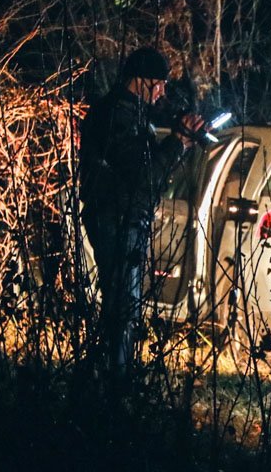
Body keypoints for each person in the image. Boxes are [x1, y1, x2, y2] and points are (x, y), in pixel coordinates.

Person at [79, 47, 210, 376]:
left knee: (125, 305)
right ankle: (115, 378)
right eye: (159, 84)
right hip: (116, 217)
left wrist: (179, 140)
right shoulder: (116, 116)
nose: (162, 92)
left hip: (126, 216)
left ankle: (113, 373)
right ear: (140, 81)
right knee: (122, 306)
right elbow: (143, 175)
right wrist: (177, 143)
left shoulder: (132, 115)